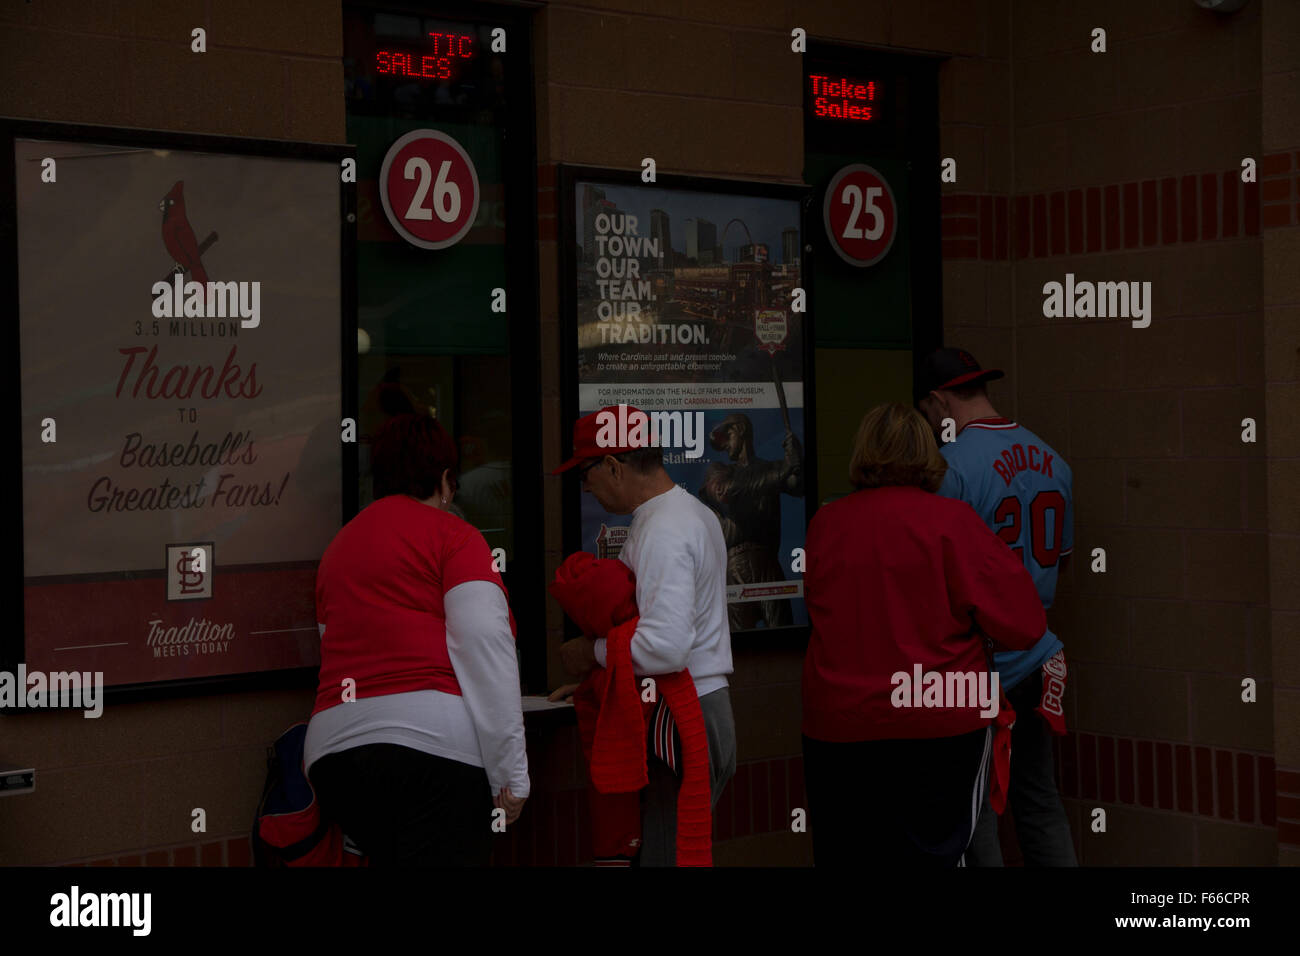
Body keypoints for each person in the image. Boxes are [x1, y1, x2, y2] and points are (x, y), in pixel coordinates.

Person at [801, 403, 1046, 867]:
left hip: (838, 725)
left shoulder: (825, 525)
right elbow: (1025, 624)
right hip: (939, 722)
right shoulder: (951, 523)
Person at [305, 412, 529, 866]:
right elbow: (486, 645)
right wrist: (513, 776)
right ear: (446, 481)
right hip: (434, 749)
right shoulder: (456, 537)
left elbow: (329, 647)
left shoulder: (337, 549)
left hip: (334, 756)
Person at [552, 405, 736, 866]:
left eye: (585, 473)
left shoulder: (664, 529)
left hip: (682, 711)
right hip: (699, 702)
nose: (586, 486)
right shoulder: (690, 512)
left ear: (613, 465)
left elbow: (667, 645)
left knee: (666, 856)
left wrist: (592, 653)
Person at [916, 347, 1077, 867]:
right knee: (1039, 801)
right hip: (1037, 652)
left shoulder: (951, 468)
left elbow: (938, 579)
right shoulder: (1054, 459)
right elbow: (1062, 565)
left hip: (982, 664)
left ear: (940, 403)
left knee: (975, 811)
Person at [698, 412, 804, 630]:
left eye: (727, 436)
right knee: (739, 645)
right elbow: (724, 491)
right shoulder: (719, 472)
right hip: (736, 565)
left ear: (740, 430)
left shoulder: (772, 469)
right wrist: (783, 471)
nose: (725, 446)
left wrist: (797, 459)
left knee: (782, 636)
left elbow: (798, 486)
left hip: (768, 563)